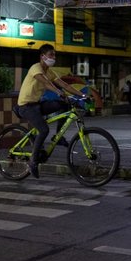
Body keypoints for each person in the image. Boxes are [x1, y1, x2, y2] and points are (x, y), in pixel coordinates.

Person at [16, 44, 87, 178]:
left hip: (37, 104)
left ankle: (58, 137)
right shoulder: (35, 68)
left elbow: (65, 85)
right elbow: (46, 83)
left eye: (54, 55)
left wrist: (82, 95)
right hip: (26, 106)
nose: (53, 58)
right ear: (42, 56)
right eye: (51, 55)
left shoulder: (49, 71)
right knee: (43, 130)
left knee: (63, 104)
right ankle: (33, 162)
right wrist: (58, 92)